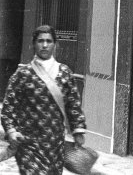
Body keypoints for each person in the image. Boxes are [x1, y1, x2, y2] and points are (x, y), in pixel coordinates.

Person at [1, 25, 87, 174]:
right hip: (28, 144)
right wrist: (11, 131)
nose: (45, 45)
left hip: (55, 145)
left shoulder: (64, 73)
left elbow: (74, 105)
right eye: (40, 41)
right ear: (34, 44)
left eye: (49, 41)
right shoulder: (23, 74)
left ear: (55, 44)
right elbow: (9, 108)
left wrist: (78, 131)